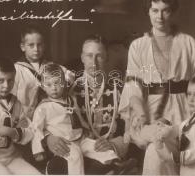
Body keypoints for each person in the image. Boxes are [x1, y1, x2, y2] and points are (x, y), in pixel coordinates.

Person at [118, 0, 195, 175]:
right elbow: (133, 85)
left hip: (183, 108)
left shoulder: (188, 42)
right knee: (156, 152)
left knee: (169, 153)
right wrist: (141, 113)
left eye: (165, 10)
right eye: (155, 10)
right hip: (150, 110)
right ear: (148, 12)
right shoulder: (138, 46)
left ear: (172, 12)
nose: (160, 16)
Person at [44, 35, 133, 174]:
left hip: (105, 152)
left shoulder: (119, 89)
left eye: (99, 56)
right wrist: (50, 138)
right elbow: (47, 116)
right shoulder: (67, 90)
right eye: (89, 56)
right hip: (75, 148)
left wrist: (114, 144)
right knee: (57, 166)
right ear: (82, 58)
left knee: (103, 164)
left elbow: (128, 128)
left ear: (107, 58)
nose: (94, 62)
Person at [31, 63, 118, 174]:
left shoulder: (70, 99)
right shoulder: (43, 107)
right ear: (43, 87)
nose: (54, 88)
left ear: (64, 83)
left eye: (57, 83)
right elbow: (36, 129)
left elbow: (78, 116)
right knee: (75, 155)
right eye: (48, 84)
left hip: (79, 138)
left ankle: (115, 164)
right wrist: (38, 150)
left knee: (95, 146)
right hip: (65, 143)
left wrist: (86, 129)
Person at [155, 74, 195, 176]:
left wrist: (172, 157)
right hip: (190, 171)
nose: (190, 99)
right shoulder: (194, 118)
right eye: (189, 94)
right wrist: (165, 131)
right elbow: (180, 128)